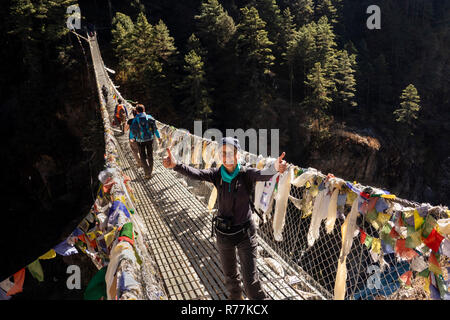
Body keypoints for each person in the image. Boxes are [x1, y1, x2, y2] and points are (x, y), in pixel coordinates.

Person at [163, 137, 287, 300]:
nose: (227, 156)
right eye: (223, 153)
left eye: (230, 153)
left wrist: (276, 168)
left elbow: (263, 174)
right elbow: (197, 174)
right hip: (224, 233)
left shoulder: (246, 174)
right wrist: (176, 165)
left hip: (245, 234)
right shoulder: (216, 174)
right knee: (230, 279)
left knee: (251, 283)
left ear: (238, 155)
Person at [129, 104, 161, 179]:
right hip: (150, 139)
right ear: (144, 110)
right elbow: (155, 129)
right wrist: (158, 137)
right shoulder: (149, 117)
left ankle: (147, 173)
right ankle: (151, 170)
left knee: (142, 156)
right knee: (150, 155)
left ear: (136, 111)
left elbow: (132, 130)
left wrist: (132, 138)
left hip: (140, 140)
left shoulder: (134, 120)